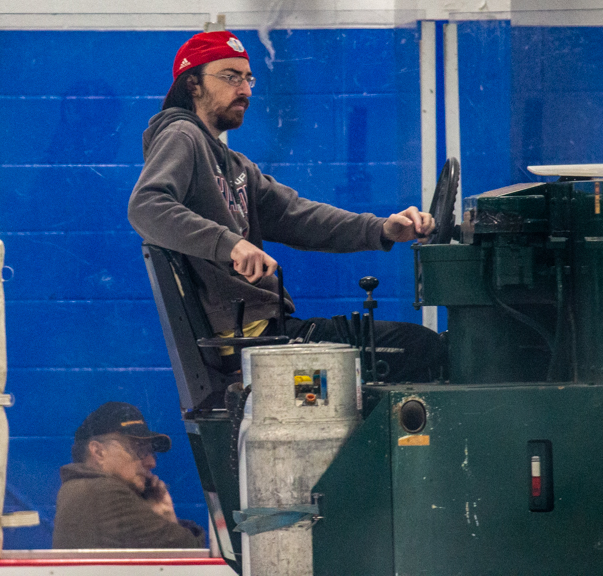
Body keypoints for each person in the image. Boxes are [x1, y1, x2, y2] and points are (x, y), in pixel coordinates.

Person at [128, 31, 446, 382]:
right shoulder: (181, 135)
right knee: (421, 347)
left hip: (267, 330)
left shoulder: (233, 164)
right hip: (253, 338)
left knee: (412, 346)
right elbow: (146, 205)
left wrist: (382, 228)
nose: (246, 90)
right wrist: (231, 244)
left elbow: (298, 216)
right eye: (231, 77)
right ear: (193, 85)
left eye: (248, 79)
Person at [52, 402, 205, 549]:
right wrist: (169, 517)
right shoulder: (104, 492)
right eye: (138, 448)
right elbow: (188, 549)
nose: (151, 462)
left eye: (150, 452)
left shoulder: (81, 488)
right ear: (98, 452)